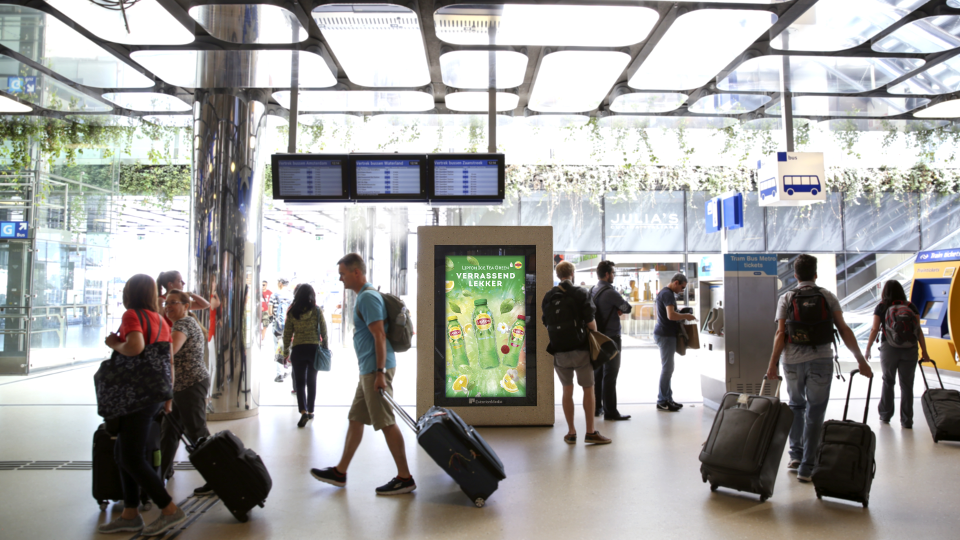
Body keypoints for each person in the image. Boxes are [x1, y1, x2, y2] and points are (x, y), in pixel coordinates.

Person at [310, 253, 415, 495]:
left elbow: (379, 335)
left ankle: (405, 477)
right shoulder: (366, 296)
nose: (340, 279)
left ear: (356, 272)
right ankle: (340, 472)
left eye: (343, 274)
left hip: (376, 370)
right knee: (356, 418)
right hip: (369, 369)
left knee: (386, 421)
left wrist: (379, 373)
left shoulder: (367, 298)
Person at [765, 254, 872, 483]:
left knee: (795, 406)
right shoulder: (827, 296)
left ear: (795, 275)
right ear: (815, 274)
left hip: (792, 361)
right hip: (822, 359)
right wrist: (860, 360)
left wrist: (772, 364)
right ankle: (807, 466)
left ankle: (795, 456)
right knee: (815, 412)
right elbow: (843, 330)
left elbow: (780, 334)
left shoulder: (786, 298)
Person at [98, 275, 186, 536]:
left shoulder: (132, 316)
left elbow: (135, 347)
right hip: (155, 393)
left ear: (129, 292)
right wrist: (168, 397)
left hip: (135, 396)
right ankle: (130, 512)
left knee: (131, 457)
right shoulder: (161, 319)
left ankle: (169, 509)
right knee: (122, 454)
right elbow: (167, 360)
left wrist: (114, 343)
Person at [544, 261, 610, 445]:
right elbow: (590, 321)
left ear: (558, 276)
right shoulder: (580, 292)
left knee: (567, 389)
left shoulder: (549, 296)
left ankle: (571, 432)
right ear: (572, 273)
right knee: (588, 388)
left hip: (559, 350)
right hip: (580, 349)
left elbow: (545, 321)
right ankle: (590, 432)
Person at [158, 290, 213, 495]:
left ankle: (217, 476)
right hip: (181, 387)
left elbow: (170, 351)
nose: (168, 307)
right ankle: (159, 476)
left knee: (198, 434)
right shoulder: (186, 323)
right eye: (167, 304)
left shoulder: (183, 325)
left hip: (190, 386)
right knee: (169, 433)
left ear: (186, 306)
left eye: (174, 303)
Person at [864, 280, 930, 429]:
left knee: (888, 381)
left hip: (889, 348)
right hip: (910, 349)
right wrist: (924, 351)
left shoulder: (882, 307)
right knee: (907, 385)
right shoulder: (910, 306)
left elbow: (874, 329)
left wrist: (867, 349)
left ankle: (885, 414)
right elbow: (918, 330)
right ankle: (907, 420)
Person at [591, 260, 633, 420]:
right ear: (607, 274)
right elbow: (627, 308)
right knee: (610, 375)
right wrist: (617, 308)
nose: (614, 276)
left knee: (598, 372)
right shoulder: (610, 292)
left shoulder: (594, 290)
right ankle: (611, 411)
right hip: (611, 338)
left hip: (597, 337)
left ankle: (597, 407)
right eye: (613, 273)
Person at [283, 284, 327, 428]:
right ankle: (311, 410)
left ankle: (303, 411)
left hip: (298, 350)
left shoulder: (292, 312)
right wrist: (325, 345)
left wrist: (285, 352)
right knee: (312, 381)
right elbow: (324, 331)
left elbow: (287, 334)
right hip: (314, 349)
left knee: (300, 383)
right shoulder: (317, 311)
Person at [653, 273, 696, 413]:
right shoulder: (668, 294)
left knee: (668, 368)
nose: (682, 291)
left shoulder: (665, 293)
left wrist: (680, 312)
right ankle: (662, 400)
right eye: (682, 287)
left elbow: (669, 313)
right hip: (665, 335)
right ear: (676, 282)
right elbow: (671, 315)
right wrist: (686, 315)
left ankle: (668, 398)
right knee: (667, 368)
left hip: (665, 333)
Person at [270, 277, 293, 383]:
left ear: (279, 283)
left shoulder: (274, 295)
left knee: (279, 347)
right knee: (289, 346)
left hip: (278, 326)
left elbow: (270, 312)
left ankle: (279, 374)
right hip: (290, 326)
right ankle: (289, 369)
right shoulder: (291, 296)